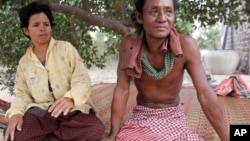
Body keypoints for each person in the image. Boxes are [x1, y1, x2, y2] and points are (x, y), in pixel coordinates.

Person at [104, 0, 229, 141]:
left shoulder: (186, 45)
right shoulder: (129, 44)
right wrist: (113, 134)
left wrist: (226, 138)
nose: (162, 18)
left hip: (173, 115)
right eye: (154, 11)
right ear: (139, 17)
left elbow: (205, 93)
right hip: (142, 115)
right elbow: (122, 89)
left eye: (168, 11)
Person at [3, 2, 105, 141]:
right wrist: (16, 113)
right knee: (14, 134)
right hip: (42, 113)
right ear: (26, 30)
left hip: (72, 110)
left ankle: (48, 138)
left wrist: (70, 98)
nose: (42, 28)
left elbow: (82, 79)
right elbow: (22, 94)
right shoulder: (24, 63)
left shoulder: (66, 49)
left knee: (95, 129)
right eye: (36, 25)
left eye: (46, 24)